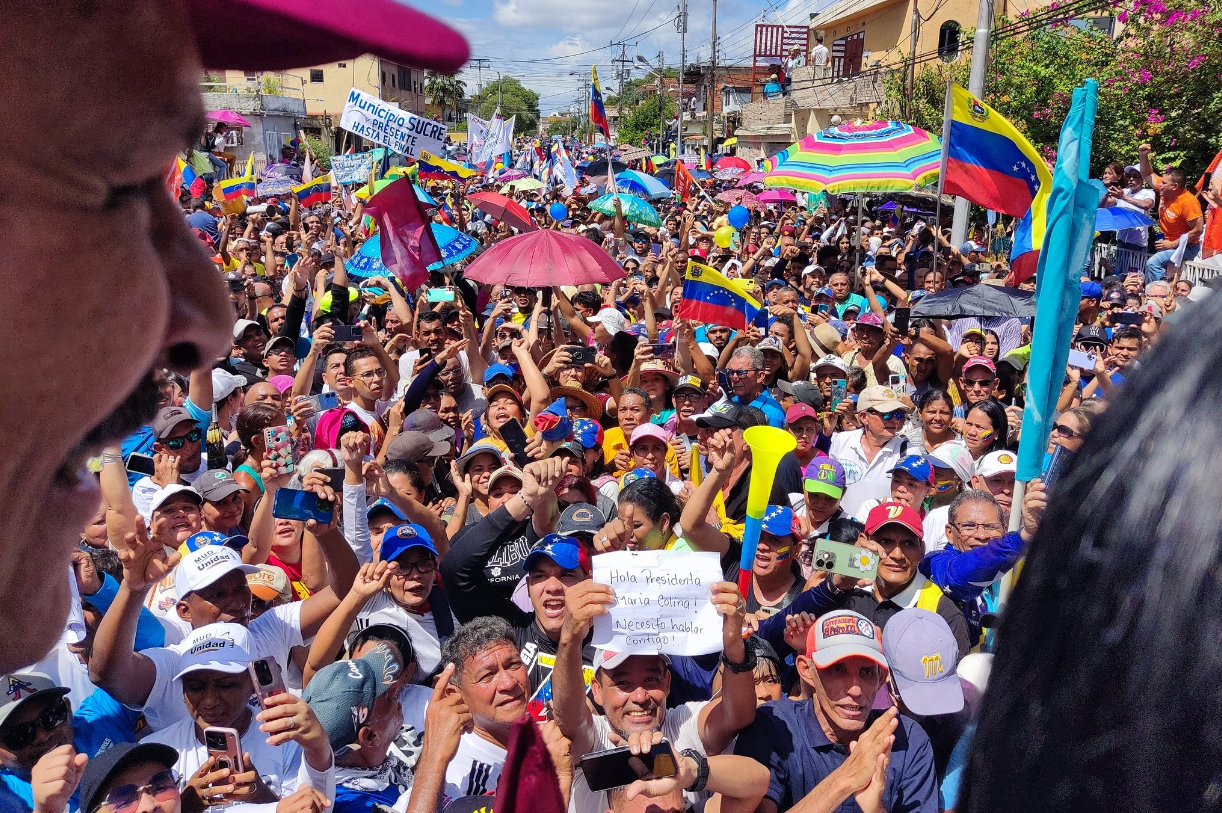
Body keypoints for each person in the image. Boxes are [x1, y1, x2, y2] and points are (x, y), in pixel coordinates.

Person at [553, 579, 758, 813]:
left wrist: (733, 646)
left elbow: (737, 715)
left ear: (668, 682)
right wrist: (569, 639)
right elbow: (568, 717)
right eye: (623, 683)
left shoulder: (682, 724)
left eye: (651, 680)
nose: (640, 696)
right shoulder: (593, 739)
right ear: (597, 691)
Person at [734, 610, 938, 813]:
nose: (855, 689)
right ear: (806, 670)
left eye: (867, 672)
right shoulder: (776, 726)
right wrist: (844, 781)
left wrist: (875, 809)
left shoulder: (907, 739)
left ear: (881, 676)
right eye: (837, 669)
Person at [397, 618, 529, 810]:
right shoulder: (458, 782)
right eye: (487, 676)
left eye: (513, 664)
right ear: (454, 694)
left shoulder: (547, 729)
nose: (508, 683)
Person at [0, 671, 139, 813]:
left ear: (68, 709)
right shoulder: (7, 797)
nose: (42, 736)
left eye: (52, 716)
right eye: (20, 735)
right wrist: (46, 810)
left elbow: (138, 671)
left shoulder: (101, 718)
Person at [302, 647, 411, 813]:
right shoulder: (352, 806)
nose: (396, 689)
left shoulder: (368, 766)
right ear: (370, 736)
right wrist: (436, 757)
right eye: (387, 695)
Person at [829, 385, 913, 518]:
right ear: (864, 417)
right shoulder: (841, 441)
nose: (895, 420)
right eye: (887, 414)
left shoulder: (909, 452)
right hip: (842, 528)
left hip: (882, 531)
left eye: (898, 414)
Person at [1139, 146, 1203, 280]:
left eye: (1163, 183)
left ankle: (1159, 294)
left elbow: (1197, 231)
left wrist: (1173, 244)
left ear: (1174, 186)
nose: (1159, 185)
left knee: (1153, 263)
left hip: (1187, 246)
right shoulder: (1165, 191)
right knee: (1164, 271)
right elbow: (1147, 174)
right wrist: (1143, 155)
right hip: (1167, 244)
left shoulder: (1188, 202)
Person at [725, 347, 785, 428]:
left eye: (741, 373)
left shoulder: (772, 414)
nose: (734, 378)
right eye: (731, 372)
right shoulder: (732, 402)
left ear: (760, 377)